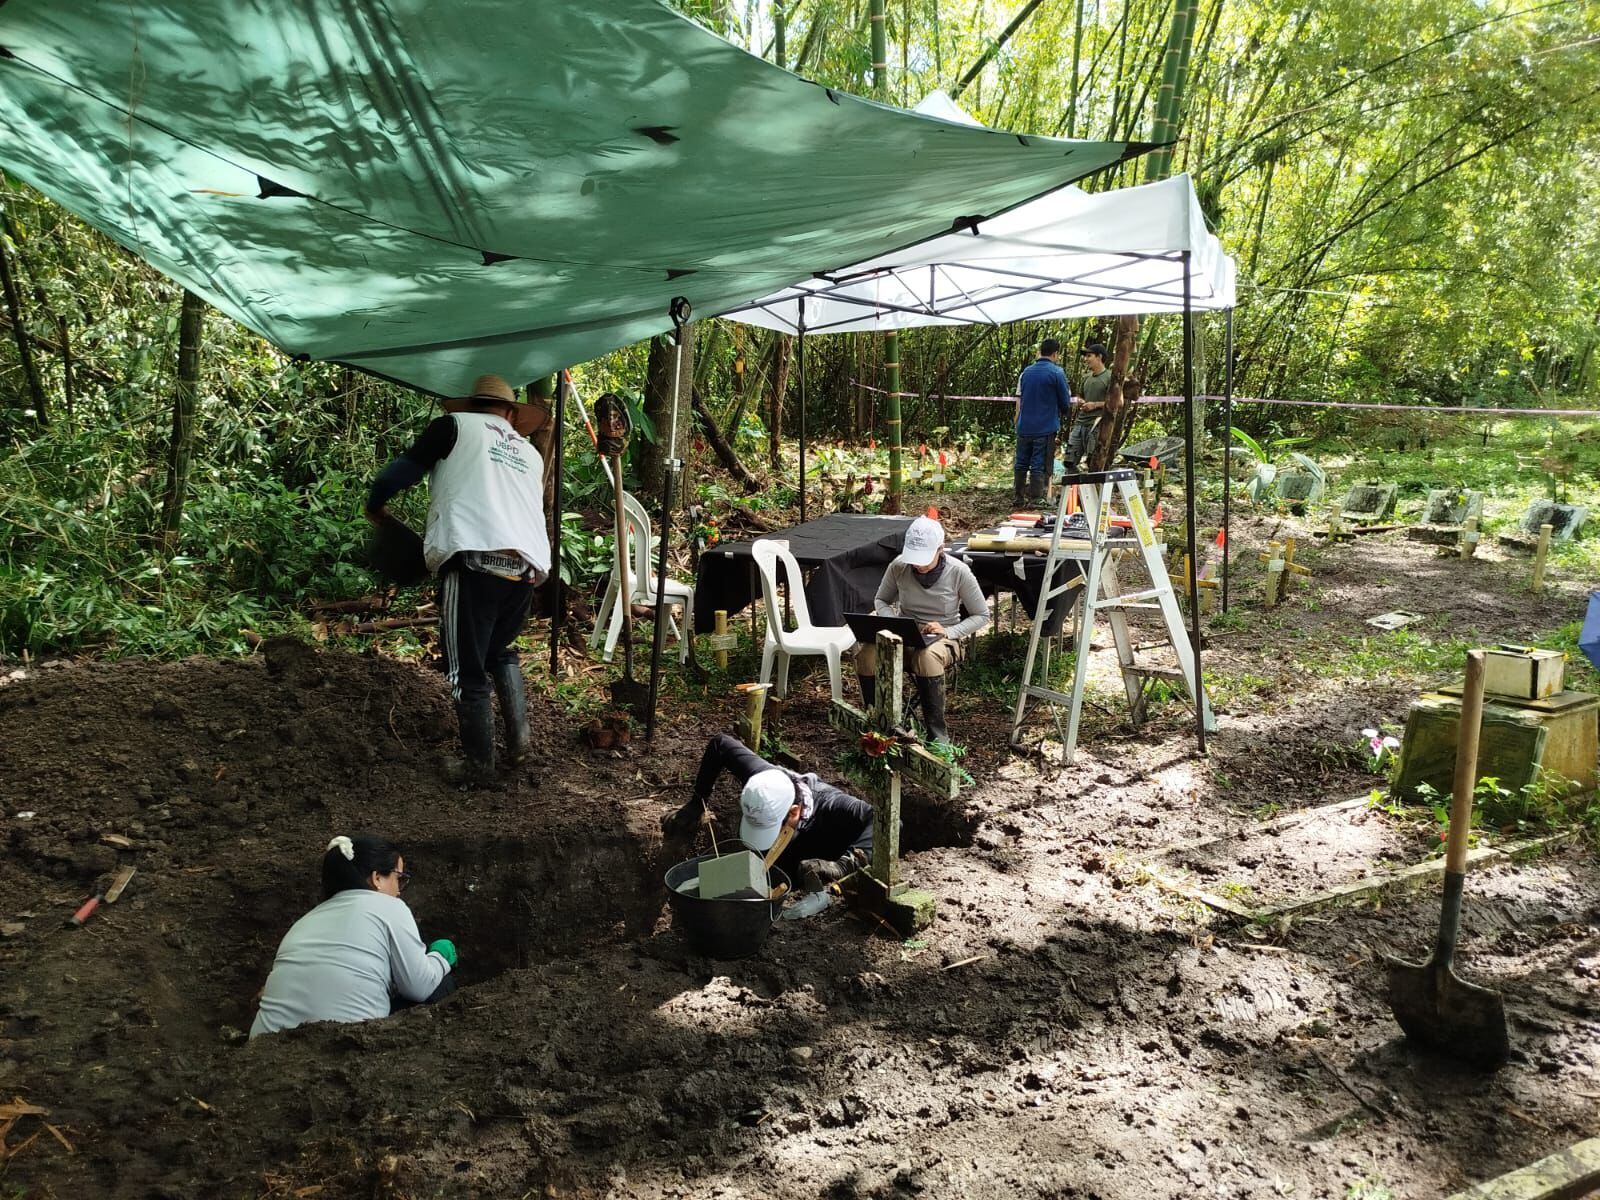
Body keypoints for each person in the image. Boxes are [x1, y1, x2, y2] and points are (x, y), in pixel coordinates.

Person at [366, 374, 551, 783]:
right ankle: (519, 745)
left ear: (472, 406)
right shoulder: (529, 452)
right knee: (497, 650)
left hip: (475, 563)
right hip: (525, 570)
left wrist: (376, 503)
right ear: (510, 414)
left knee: (465, 668)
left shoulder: (453, 427)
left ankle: (477, 766)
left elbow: (401, 473)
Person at [251, 835, 458, 1038]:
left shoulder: (304, 921)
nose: (399, 891)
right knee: (441, 984)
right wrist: (440, 957)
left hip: (264, 1046)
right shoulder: (390, 907)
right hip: (342, 1042)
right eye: (398, 878)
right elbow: (419, 986)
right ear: (377, 878)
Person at [661, 734, 874, 892]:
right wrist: (697, 802)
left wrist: (844, 865)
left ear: (793, 812)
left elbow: (886, 823)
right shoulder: (762, 782)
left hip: (818, 856)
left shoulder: (835, 807)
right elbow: (720, 744)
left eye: (770, 828)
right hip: (779, 858)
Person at [854, 515, 989, 744]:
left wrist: (948, 631)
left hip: (943, 638)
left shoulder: (958, 572)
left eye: (924, 560)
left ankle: (937, 736)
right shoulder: (898, 566)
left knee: (926, 657)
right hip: (904, 634)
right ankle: (878, 725)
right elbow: (881, 600)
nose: (919, 566)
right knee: (866, 654)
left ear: (940, 550)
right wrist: (894, 622)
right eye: (915, 560)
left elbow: (982, 615)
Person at [1013, 337, 1073, 506]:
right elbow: (1064, 401)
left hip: (1024, 425)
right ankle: (1036, 498)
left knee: (1021, 461)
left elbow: (1021, 397)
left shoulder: (1026, 372)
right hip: (1045, 426)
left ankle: (1018, 497)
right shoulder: (1056, 373)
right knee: (1039, 462)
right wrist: (1064, 412)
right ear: (1055, 354)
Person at [1063, 341, 1113, 473]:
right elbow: (1080, 395)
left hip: (1097, 426)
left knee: (1092, 462)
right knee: (1069, 460)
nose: (1086, 359)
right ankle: (1072, 490)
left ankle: (1090, 491)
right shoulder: (1086, 378)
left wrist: (1095, 405)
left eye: (1089, 356)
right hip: (1080, 424)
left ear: (1099, 357)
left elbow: (1118, 403)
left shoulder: (1110, 377)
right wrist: (1080, 401)